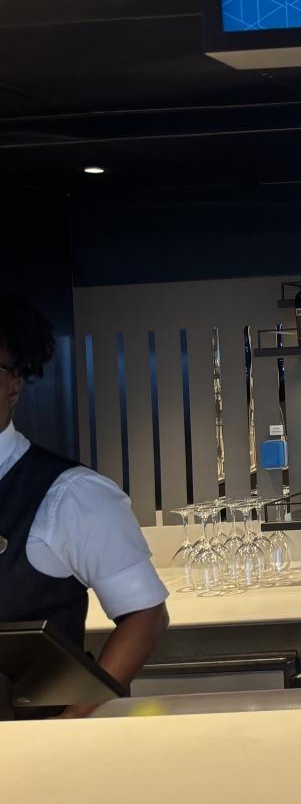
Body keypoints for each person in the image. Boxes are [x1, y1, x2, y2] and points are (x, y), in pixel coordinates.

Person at [0, 293, 168, 714]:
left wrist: (72, 720)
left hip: (32, 737)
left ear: (14, 386)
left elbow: (145, 615)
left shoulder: (71, 494)